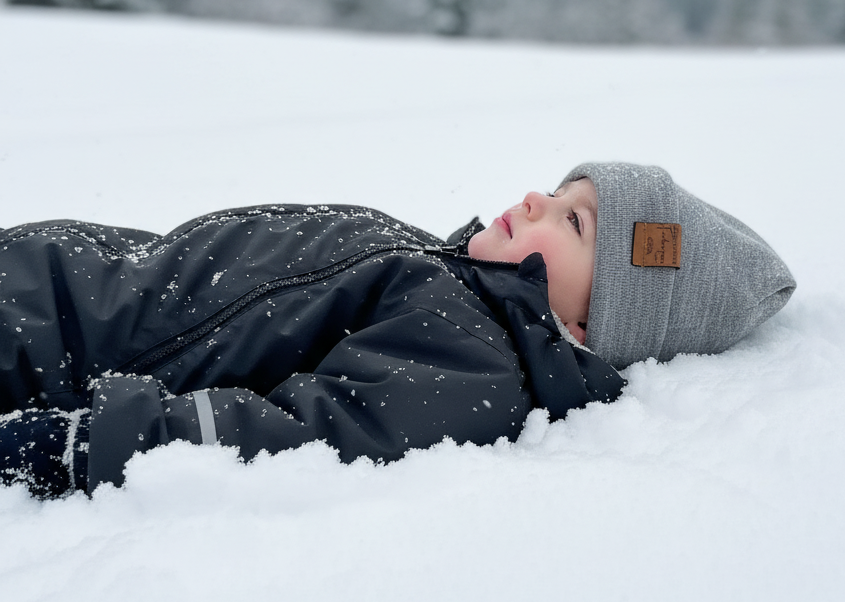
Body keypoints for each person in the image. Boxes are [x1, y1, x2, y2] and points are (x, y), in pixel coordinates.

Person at [0, 162, 795, 499]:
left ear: (589, 323)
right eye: (557, 192)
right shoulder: (445, 273)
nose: (534, 201)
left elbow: (305, 437)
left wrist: (79, 442)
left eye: (573, 224)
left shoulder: (476, 362)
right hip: (62, 277)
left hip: (54, 343)